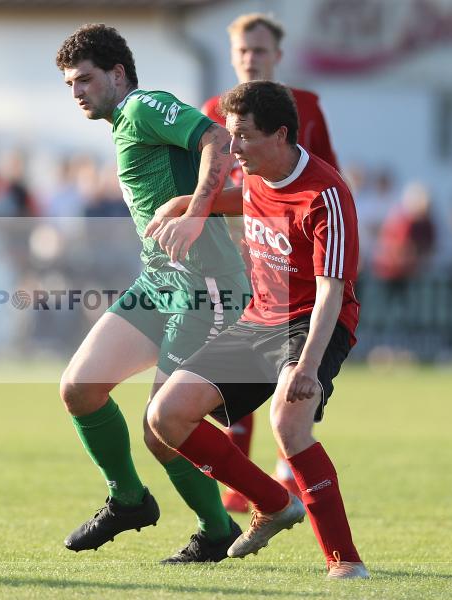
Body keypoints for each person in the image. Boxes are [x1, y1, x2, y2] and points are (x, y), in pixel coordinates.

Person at [146, 81, 369, 579]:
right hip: (259, 318)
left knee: (288, 426)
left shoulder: (325, 195)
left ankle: (345, 563)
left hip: (313, 322)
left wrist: (306, 367)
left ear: (280, 135)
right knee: (166, 415)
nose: (233, 147)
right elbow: (246, 198)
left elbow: (332, 293)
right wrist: (185, 203)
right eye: (230, 135)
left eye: (243, 136)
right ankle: (273, 503)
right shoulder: (262, 173)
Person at [55, 23, 251, 562]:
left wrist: (195, 212)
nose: (77, 92)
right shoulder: (122, 122)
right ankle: (129, 501)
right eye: (70, 84)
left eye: (85, 80)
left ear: (118, 74)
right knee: (80, 388)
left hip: (204, 286)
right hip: (159, 282)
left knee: (162, 427)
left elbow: (216, 139)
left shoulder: (144, 105)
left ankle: (217, 532)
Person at [200, 12, 340, 512]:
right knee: (229, 362)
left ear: (277, 56)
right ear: (232, 55)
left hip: (297, 258)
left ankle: (286, 467)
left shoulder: (306, 106)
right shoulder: (214, 110)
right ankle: (243, 476)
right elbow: (214, 186)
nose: (250, 59)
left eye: (260, 51)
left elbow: (323, 175)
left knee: (293, 363)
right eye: (242, 51)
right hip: (243, 256)